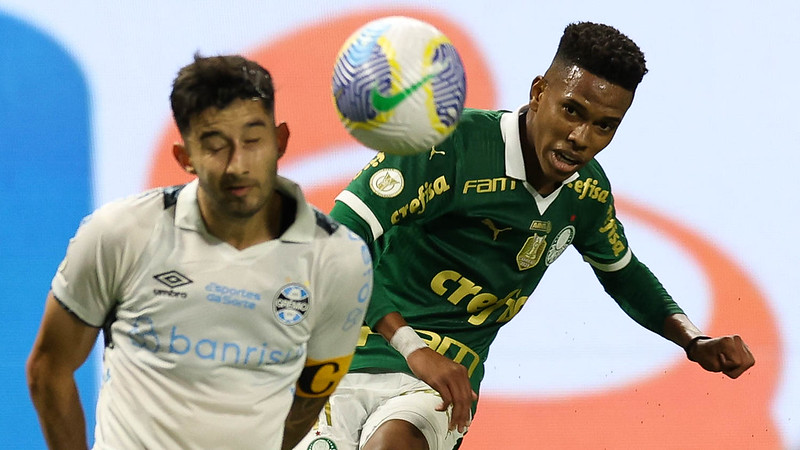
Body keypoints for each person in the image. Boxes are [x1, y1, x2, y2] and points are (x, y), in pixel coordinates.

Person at [297, 21, 755, 450]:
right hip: (340, 354)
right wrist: (412, 346)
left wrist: (693, 340)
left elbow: (624, 273)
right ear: (539, 93)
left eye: (605, 126)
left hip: (439, 385)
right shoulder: (449, 147)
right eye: (572, 111)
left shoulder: (587, 193)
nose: (582, 137)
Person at [26, 54, 373, 449]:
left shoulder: (341, 260)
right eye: (215, 146)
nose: (237, 165)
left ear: (281, 141)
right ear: (184, 157)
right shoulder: (120, 233)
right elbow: (48, 369)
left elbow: (312, 396)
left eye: (253, 140)